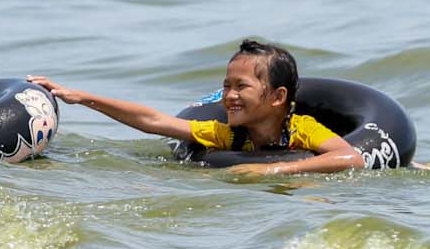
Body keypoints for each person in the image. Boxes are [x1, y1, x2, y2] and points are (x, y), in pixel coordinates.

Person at [30, 39, 368, 175]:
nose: (229, 96)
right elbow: (153, 120)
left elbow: (350, 157)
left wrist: (272, 170)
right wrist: (79, 96)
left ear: (278, 97)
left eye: (241, 87)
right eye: (226, 86)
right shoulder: (226, 136)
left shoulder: (301, 129)